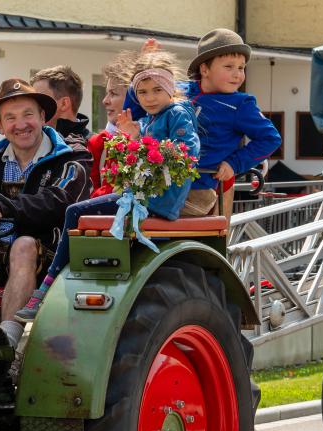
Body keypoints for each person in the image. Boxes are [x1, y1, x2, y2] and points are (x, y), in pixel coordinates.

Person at [14, 49, 201, 322]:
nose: (149, 98)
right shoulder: (150, 119)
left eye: (157, 90)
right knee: (80, 213)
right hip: (140, 197)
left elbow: (188, 154)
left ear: (170, 89)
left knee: (75, 213)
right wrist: (133, 139)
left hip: (158, 200)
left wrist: (142, 144)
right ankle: (59, 294)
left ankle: (46, 289)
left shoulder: (176, 115)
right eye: (144, 92)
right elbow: (137, 160)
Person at [0, 78, 93, 344]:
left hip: (50, 257)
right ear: (0, 126)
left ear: (43, 117)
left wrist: (1, 208)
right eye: (10, 118)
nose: (20, 124)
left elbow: (59, 201)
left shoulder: (72, 156)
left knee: (23, 245)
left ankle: (7, 342)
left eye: (27, 114)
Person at [128, 29, 281, 219]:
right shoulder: (178, 90)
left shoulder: (240, 105)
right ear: (204, 69)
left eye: (241, 68)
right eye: (229, 67)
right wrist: (145, 69)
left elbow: (270, 138)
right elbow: (134, 110)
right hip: (158, 183)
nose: (237, 75)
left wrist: (234, 164)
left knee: (133, 216)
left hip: (198, 190)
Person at [85, 50, 140, 198]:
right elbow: (89, 197)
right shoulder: (99, 143)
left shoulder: (160, 138)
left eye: (113, 94)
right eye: (106, 93)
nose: (105, 100)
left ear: (134, 98)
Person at [30, 65, 91, 145]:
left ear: (64, 104)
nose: (33, 105)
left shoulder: (96, 148)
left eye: (41, 99)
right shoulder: (29, 143)